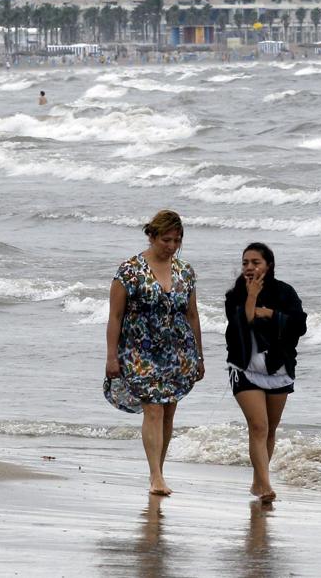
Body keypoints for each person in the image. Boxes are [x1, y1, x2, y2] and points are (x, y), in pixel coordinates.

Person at [104, 210, 205, 495]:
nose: (172, 246)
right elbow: (115, 316)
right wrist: (111, 356)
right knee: (153, 409)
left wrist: (199, 355)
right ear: (152, 236)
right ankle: (155, 476)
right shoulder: (130, 270)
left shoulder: (185, 272)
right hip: (139, 351)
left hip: (178, 351)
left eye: (177, 240)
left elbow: (193, 315)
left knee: (169, 411)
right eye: (166, 240)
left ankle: (159, 471)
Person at [224, 242, 307, 503]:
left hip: (277, 367)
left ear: (268, 265)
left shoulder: (285, 292)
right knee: (258, 426)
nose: (249, 267)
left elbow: (300, 325)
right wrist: (251, 297)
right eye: (245, 263)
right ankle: (266, 485)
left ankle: (258, 480)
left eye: (255, 262)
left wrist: (270, 313)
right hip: (244, 368)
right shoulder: (235, 294)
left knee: (271, 428)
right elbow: (243, 322)